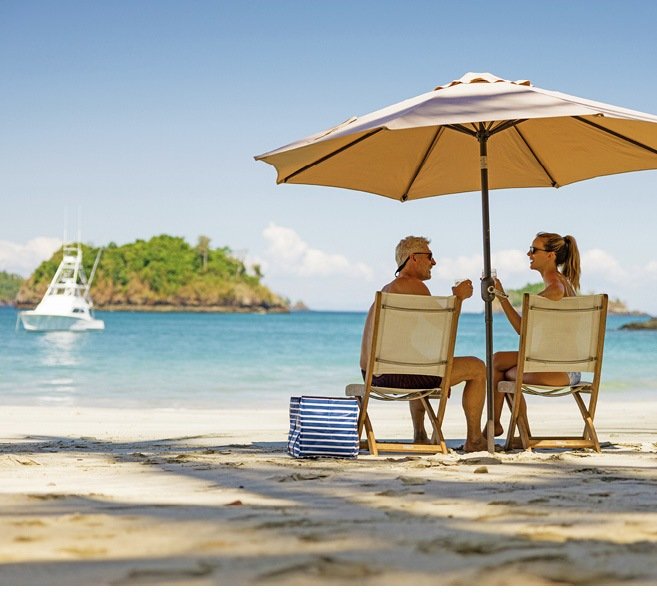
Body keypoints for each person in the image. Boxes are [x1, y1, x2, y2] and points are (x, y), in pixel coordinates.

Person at [360, 235, 487, 453]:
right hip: (402, 377)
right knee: (477, 367)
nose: (434, 262)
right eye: (430, 256)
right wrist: (458, 299)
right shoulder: (415, 287)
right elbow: (441, 333)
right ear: (413, 258)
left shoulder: (388, 290)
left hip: (373, 375)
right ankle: (475, 439)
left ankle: (420, 435)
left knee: (418, 363)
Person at [490, 232, 581, 437]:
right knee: (498, 360)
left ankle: (496, 426)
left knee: (503, 370)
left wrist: (534, 301)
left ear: (550, 255)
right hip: (563, 364)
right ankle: (506, 429)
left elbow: (524, 328)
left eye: (533, 250)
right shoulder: (562, 280)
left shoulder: (555, 283)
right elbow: (524, 329)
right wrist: (503, 296)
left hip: (562, 370)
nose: (528, 253)